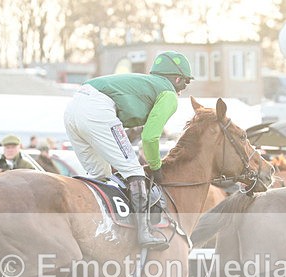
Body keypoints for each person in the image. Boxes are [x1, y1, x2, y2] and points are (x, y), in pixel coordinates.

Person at [63, 51, 192, 248]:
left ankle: (93, 230)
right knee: (134, 170)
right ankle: (144, 233)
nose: (185, 87)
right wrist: (156, 167)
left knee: (101, 175)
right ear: (177, 78)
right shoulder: (169, 94)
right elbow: (150, 138)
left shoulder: (145, 85)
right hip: (97, 109)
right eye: (185, 82)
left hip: (72, 108)